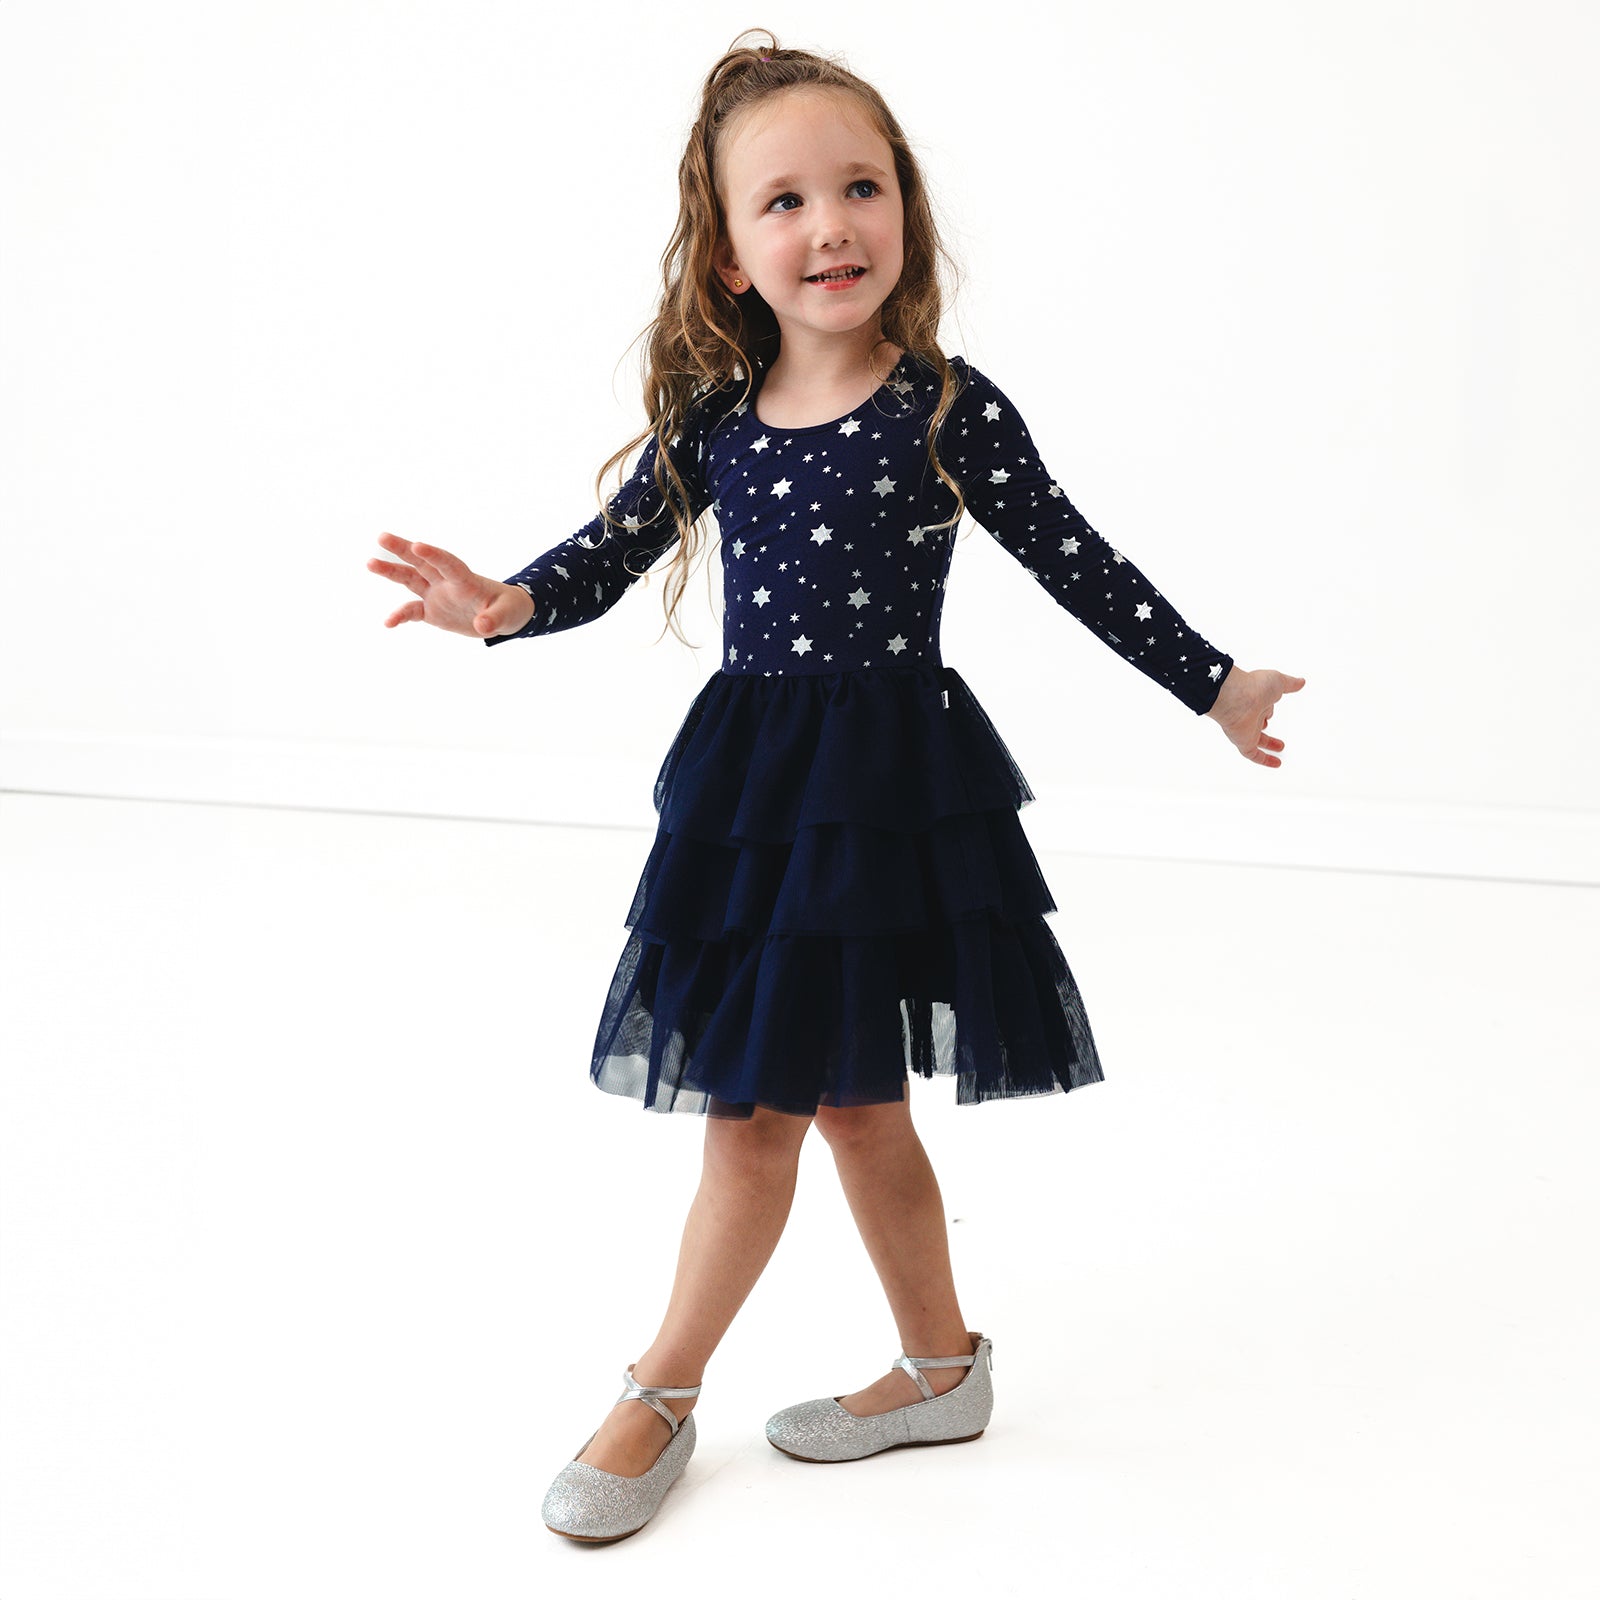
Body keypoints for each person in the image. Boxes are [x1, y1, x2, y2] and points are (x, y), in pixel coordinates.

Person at [367, 30, 1304, 1545]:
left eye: (859, 188)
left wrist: (1215, 684)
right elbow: (604, 558)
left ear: (904, 215)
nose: (830, 226)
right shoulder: (718, 425)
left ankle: (684, 1385)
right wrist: (503, 603)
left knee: (800, 1118)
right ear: (731, 255)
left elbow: (1078, 563)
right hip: (756, 796)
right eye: (785, 202)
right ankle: (920, 1367)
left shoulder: (943, 406)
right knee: (822, 1108)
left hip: (890, 795)